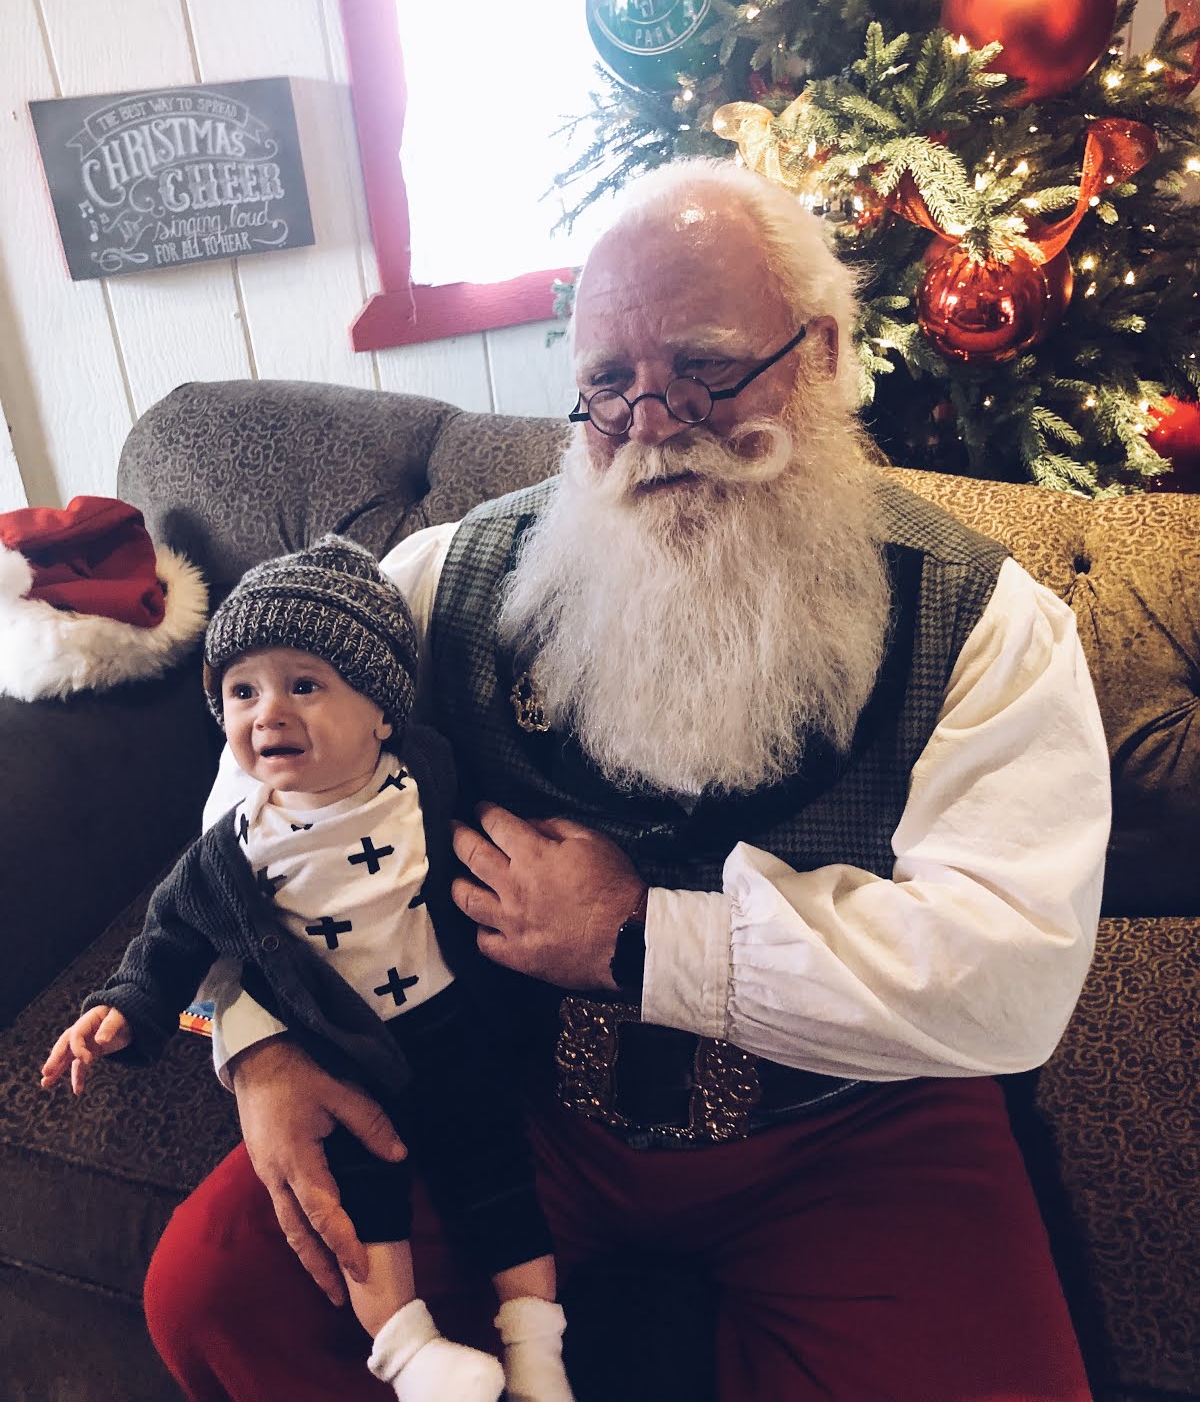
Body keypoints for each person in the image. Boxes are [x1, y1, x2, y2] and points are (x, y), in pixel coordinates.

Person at [144, 157, 1110, 1402]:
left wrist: (639, 938)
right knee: (217, 1291)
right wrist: (259, 1038)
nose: (654, 421)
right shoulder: (445, 578)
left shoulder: (982, 620)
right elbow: (255, 786)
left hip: (850, 1128)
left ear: (820, 353)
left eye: (706, 365)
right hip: (508, 1094)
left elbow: (1014, 970)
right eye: (609, 382)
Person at [42, 537, 573, 1402]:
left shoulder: (429, 775)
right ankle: (409, 1354)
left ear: (383, 712)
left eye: (305, 685)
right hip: (338, 1053)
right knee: (365, 1212)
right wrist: (126, 1006)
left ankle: (536, 1347)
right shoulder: (233, 850)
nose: (269, 714)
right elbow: (170, 938)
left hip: (454, 1027)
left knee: (497, 1174)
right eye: (242, 691)